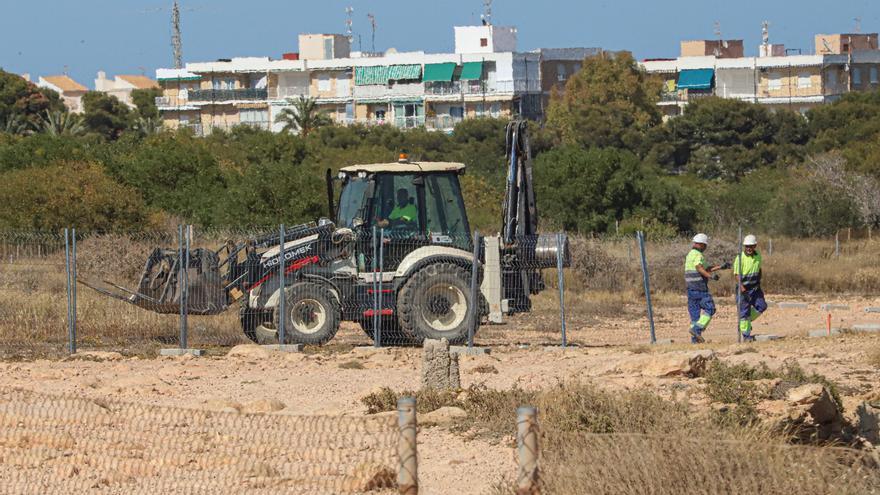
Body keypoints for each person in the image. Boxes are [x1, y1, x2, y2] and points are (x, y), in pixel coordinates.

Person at [684, 233, 730, 344]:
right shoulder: (698, 255)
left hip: (690, 290)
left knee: (695, 316)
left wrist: (720, 267)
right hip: (700, 289)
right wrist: (711, 276)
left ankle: (695, 341)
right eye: (705, 245)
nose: (705, 248)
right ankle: (697, 330)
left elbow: (706, 268)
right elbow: (699, 268)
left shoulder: (690, 254)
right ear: (701, 244)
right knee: (710, 309)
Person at [733, 235, 766, 342]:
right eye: (747, 246)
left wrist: (759, 281)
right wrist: (742, 288)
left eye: (751, 246)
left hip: (755, 288)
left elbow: (759, 269)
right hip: (744, 289)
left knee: (762, 306)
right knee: (744, 312)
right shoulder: (739, 258)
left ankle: (745, 323)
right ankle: (746, 336)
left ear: (755, 246)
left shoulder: (758, 256)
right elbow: (736, 275)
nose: (749, 248)